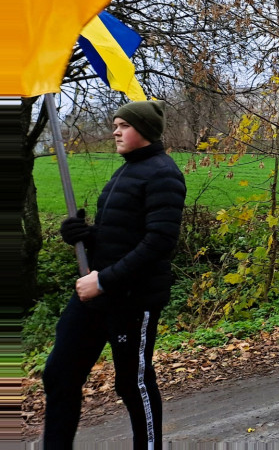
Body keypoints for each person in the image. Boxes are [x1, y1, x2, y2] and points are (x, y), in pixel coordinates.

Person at [45, 101, 186, 449]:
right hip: (95, 296)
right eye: (115, 124)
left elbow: (158, 243)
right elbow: (121, 237)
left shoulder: (163, 173)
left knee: (132, 383)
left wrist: (104, 280)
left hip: (132, 301)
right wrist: (82, 235)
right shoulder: (126, 170)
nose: (115, 131)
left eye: (123, 125)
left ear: (145, 131)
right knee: (59, 374)